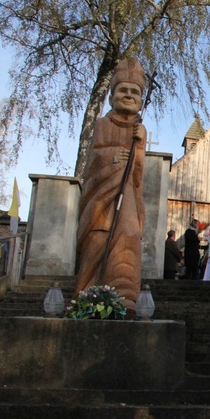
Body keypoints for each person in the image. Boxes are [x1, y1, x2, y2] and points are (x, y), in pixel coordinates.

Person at [74, 58, 148, 309]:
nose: (129, 95)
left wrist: (140, 146)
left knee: (129, 234)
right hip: (102, 197)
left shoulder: (140, 129)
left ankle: (124, 295)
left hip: (127, 194)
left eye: (135, 92)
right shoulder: (102, 124)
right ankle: (88, 296)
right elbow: (93, 158)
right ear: (112, 96)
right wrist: (115, 155)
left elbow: (137, 177)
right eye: (123, 90)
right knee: (97, 240)